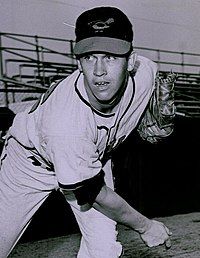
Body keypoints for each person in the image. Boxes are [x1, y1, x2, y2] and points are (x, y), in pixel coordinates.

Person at [0, 6, 173, 258]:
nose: (99, 70)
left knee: (103, 250)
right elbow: (94, 192)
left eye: (111, 56)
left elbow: (151, 78)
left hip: (91, 158)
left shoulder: (146, 72)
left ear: (131, 61)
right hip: (28, 166)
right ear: (78, 63)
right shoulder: (66, 125)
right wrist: (146, 227)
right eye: (90, 56)